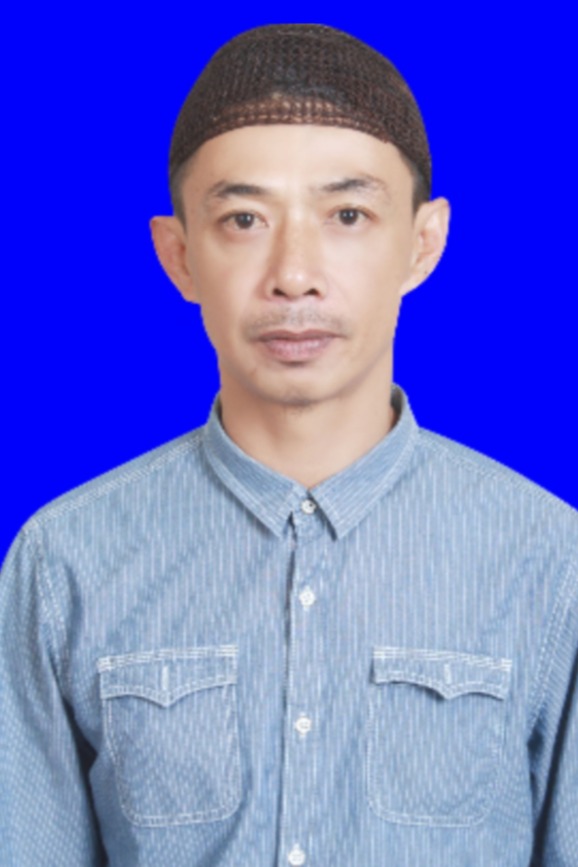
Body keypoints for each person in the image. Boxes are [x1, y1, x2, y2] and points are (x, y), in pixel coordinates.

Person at [0, 22, 576, 866]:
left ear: (423, 242)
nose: (294, 273)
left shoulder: (551, 560)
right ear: (179, 254)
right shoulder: (64, 563)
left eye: (347, 214)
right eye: (243, 218)